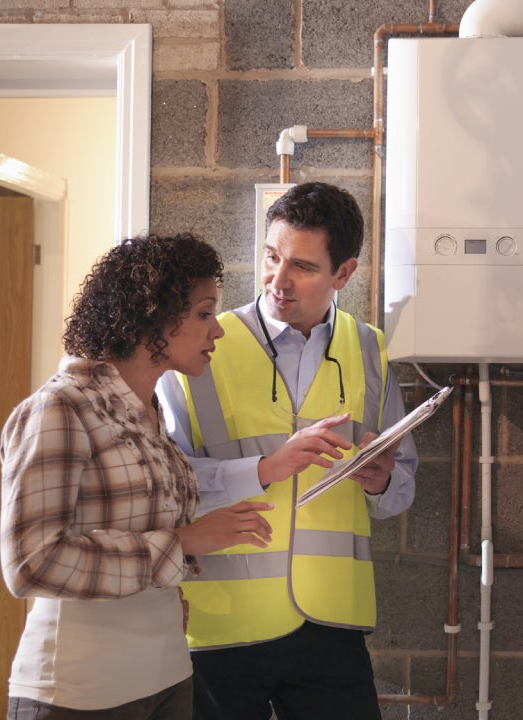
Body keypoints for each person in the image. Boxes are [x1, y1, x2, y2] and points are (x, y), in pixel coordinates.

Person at [158, 182, 419, 720]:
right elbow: (167, 481)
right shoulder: (202, 341)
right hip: (221, 626)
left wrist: (380, 481)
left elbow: (402, 489)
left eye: (301, 266)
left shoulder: (370, 350)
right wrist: (262, 469)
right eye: (272, 257)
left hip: (331, 627)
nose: (278, 280)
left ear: (343, 274)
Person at [0, 233, 276, 720]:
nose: (219, 331)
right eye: (204, 312)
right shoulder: (61, 408)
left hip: (168, 677)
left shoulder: (151, 414)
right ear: (154, 314)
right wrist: (183, 543)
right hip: (79, 691)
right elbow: (32, 562)